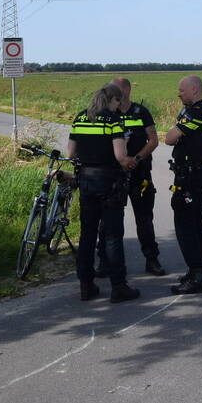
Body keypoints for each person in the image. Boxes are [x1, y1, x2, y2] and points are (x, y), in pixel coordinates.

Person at [67, 83, 140, 303]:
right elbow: (120, 156)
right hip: (109, 182)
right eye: (119, 102)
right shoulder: (113, 120)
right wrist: (125, 145)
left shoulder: (81, 118)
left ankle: (86, 285)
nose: (119, 107)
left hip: (87, 181)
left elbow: (70, 153)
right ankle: (119, 286)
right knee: (112, 235)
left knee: (87, 235)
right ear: (114, 100)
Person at [94, 77, 165, 277]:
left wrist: (137, 158)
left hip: (139, 173)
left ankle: (152, 259)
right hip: (113, 176)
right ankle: (104, 261)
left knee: (144, 219)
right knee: (107, 221)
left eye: (114, 89)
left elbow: (154, 140)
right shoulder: (107, 114)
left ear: (126, 91)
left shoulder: (141, 112)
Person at [163, 75, 202, 294]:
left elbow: (169, 138)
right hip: (197, 173)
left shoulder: (195, 113)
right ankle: (199, 268)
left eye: (181, 90)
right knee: (196, 220)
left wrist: (175, 131)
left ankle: (197, 275)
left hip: (190, 176)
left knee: (185, 223)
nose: (178, 93)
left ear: (194, 90)